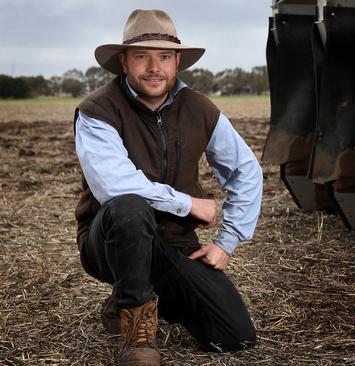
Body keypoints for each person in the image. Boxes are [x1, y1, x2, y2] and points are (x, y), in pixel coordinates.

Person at [73, 9, 262, 365]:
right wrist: (188, 204)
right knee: (129, 205)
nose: (153, 67)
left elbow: (247, 170)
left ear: (177, 62)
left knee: (234, 336)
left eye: (163, 57)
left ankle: (141, 294)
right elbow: (115, 186)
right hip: (111, 240)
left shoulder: (200, 108)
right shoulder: (97, 110)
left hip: (174, 242)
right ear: (124, 62)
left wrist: (227, 241)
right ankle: (135, 336)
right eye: (142, 56)